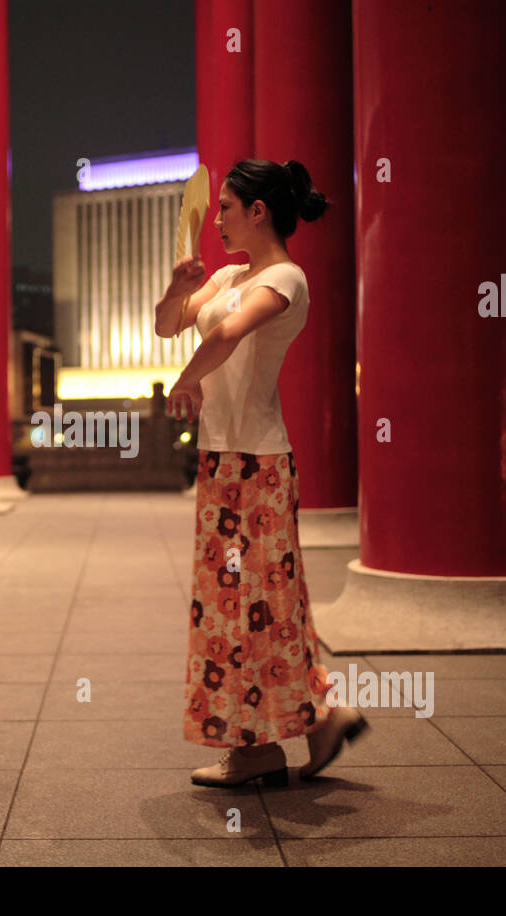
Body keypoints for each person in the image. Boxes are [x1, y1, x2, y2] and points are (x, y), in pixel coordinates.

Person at [154, 158, 367, 788]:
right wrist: (177, 284)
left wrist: (185, 383)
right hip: (225, 459)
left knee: (257, 603)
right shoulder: (226, 275)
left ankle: (285, 732)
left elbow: (229, 335)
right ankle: (284, 734)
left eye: (225, 206)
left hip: (258, 463)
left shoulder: (286, 280)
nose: (216, 218)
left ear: (258, 211)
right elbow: (169, 324)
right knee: (244, 606)